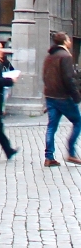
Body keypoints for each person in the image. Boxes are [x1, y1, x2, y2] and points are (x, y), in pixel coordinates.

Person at [41, 32, 81, 167]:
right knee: (78, 122)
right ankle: (71, 152)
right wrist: (76, 96)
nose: (70, 41)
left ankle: (49, 157)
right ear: (65, 42)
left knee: (52, 126)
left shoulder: (49, 56)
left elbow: (44, 76)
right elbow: (68, 78)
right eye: (69, 39)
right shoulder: (66, 56)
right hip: (63, 96)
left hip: (50, 95)